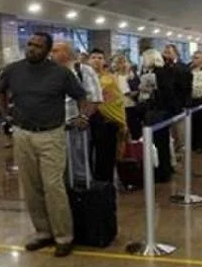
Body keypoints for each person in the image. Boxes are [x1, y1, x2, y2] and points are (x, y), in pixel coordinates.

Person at [0, 32, 86, 258]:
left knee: (53, 186)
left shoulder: (60, 73)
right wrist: (5, 114)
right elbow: (1, 89)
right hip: (22, 133)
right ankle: (43, 231)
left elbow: (80, 95)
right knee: (31, 186)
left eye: (37, 46)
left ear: (47, 51)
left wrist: (82, 115)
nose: (31, 48)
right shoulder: (13, 70)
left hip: (51, 134)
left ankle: (64, 236)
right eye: (29, 44)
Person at [50, 41, 102, 182]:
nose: (51, 54)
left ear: (67, 53)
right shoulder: (49, 72)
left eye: (55, 51)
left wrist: (83, 118)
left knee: (78, 161)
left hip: (76, 126)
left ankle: (81, 187)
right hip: (54, 126)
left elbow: (95, 99)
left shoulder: (83, 71)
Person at [89, 49, 128, 182]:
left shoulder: (110, 79)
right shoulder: (84, 79)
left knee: (107, 155)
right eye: (93, 57)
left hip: (108, 121)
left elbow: (117, 100)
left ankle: (107, 184)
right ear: (89, 60)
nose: (96, 60)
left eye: (100, 58)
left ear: (104, 61)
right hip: (90, 121)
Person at [141, 48, 179, 182]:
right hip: (160, 110)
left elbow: (164, 93)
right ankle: (164, 168)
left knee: (160, 142)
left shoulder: (158, 73)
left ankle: (163, 171)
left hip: (159, 111)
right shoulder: (159, 72)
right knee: (162, 142)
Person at [112, 54, 142, 139]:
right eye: (120, 63)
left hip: (132, 106)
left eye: (124, 62)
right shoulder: (114, 77)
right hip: (119, 107)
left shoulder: (133, 76)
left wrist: (132, 93)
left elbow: (138, 89)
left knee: (134, 130)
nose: (123, 65)